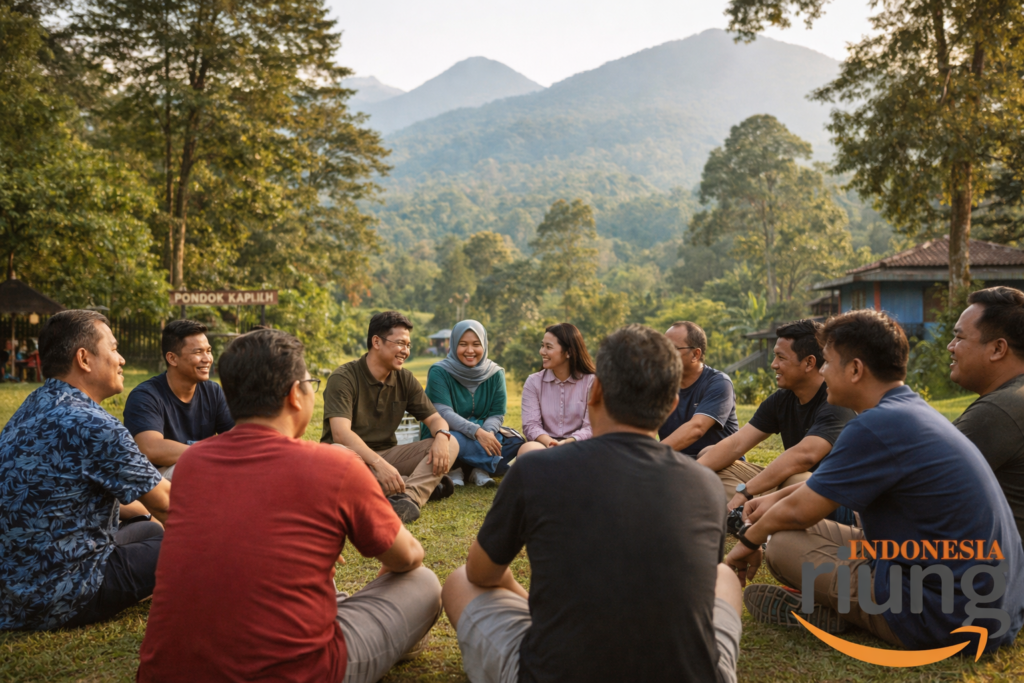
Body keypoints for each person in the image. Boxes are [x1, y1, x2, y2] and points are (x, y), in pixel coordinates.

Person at [442, 324, 742, 683]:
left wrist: (533, 606)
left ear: (595, 391)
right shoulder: (706, 485)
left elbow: (481, 573)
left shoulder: (536, 470)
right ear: (672, 403)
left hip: (555, 670)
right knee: (723, 575)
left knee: (460, 580)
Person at [137, 329, 441, 683]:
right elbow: (406, 558)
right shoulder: (336, 466)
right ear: (297, 394)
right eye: (310, 382)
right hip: (300, 672)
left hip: (168, 672)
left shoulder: (190, 466)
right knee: (423, 582)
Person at [728, 310, 1024, 653]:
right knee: (785, 529)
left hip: (950, 619)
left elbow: (801, 512)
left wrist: (747, 542)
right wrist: (773, 503)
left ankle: (849, 615)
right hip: (991, 606)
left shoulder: (875, 426)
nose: (822, 373)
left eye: (827, 363)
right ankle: (841, 607)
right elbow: (820, 488)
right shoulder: (906, 410)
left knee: (781, 546)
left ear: (855, 370)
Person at [0, 310, 170, 631]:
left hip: (11, 589)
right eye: (114, 349)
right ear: (84, 359)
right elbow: (170, 504)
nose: (120, 359)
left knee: (150, 531)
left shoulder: (31, 407)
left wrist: (150, 518)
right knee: (179, 545)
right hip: (59, 595)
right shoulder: (93, 424)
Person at [697, 320, 856, 505]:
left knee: (801, 480)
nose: (774, 365)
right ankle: (754, 506)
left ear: (809, 362)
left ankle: (750, 505)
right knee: (709, 456)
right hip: (788, 485)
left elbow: (804, 456)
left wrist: (746, 491)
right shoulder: (782, 399)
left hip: (831, 495)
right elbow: (737, 444)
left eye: (781, 358)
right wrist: (687, 473)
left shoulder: (836, 399)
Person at [321, 310, 459, 523]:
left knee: (451, 442)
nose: (406, 351)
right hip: (350, 459)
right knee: (336, 455)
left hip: (388, 456)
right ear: (377, 342)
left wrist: (441, 434)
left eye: (408, 345)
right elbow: (340, 434)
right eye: (400, 344)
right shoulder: (343, 378)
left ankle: (409, 498)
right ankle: (412, 485)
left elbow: (435, 419)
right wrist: (378, 465)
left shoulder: (404, 378)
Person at [949, 286, 1024, 543]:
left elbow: (908, 486)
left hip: (976, 575)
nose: (951, 347)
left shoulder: (1000, 410)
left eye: (959, 338)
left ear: (997, 349)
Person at [123, 319, 234, 480]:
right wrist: (210, 451)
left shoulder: (213, 391)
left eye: (208, 351)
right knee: (202, 468)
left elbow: (235, 437)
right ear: (172, 358)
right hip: (156, 480)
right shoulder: (145, 396)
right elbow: (150, 448)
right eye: (198, 352)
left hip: (202, 464)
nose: (207, 359)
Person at [422, 320, 524, 488]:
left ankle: (468, 466)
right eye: (463, 344)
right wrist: (476, 433)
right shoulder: (439, 371)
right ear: (454, 345)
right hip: (449, 432)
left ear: (484, 345)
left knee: (515, 442)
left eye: (476, 344)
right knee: (450, 440)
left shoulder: (495, 373)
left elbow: (496, 414)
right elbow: (443, 412)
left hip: (482, 432)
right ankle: (473, 466)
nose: (470, 350)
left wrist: (487, 434)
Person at [658, 321, 739, 456]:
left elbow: (697, 428)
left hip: (720, 467)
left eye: (671, 348)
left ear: (695, 354)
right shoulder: (660, 384)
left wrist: (651, 453)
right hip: (676, 465)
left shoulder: (719, 383)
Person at [517, 323, 596, 458]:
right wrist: (551, 443)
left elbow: (592, 426)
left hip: (579, 444)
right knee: (526, 451)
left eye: (548, 347)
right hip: (544, 445)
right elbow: (531, 425)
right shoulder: (533, 382)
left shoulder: (592, 382)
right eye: (542, 346)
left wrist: (568, 442)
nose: (542, 351)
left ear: (569, 352)